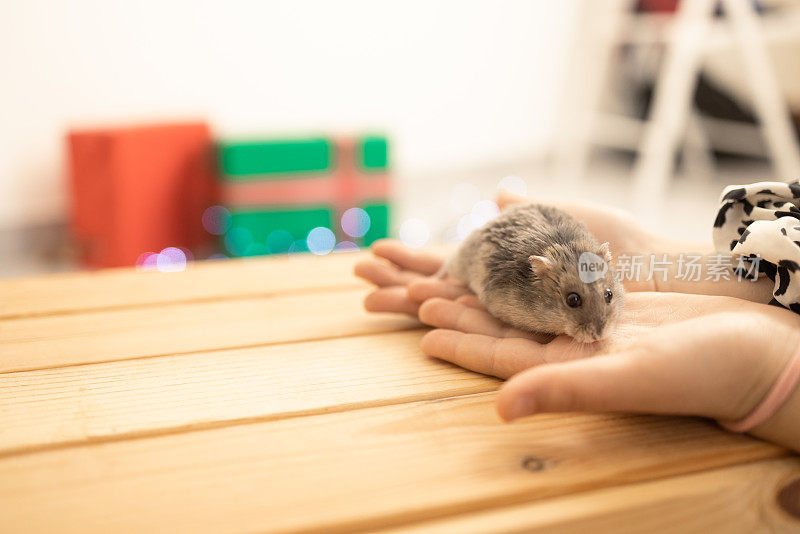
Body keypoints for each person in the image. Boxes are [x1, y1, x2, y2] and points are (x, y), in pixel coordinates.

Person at [355, 190, 800, 453]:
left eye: (607, 297)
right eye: (574, 301)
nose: (599, 322)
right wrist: (654, 250)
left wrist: (775, 370)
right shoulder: (522, 282)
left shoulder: (597, 264)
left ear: (609, 270)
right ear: (543, 278)